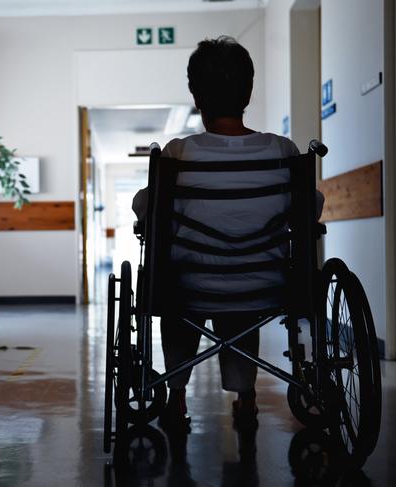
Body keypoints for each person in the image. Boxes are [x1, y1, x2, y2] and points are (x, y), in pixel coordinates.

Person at [131, 36, 324, 430]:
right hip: (265, 285)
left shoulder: (179, 153)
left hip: (191, 286)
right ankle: (246, 396)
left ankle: (177, 395)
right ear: (248, 92)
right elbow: (312, 210)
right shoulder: (282, 150)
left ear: (196, 96)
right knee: (241, 308)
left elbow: (144, 208)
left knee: (177, 302)